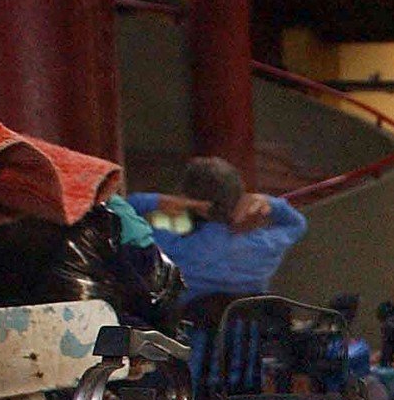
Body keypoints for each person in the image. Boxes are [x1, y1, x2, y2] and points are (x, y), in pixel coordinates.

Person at [128, 157, 308, 385]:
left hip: (189, 381)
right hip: (247, 383)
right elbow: (297, 224)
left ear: (191, 200)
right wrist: (267, 202)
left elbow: (122, 214)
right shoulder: (264, 246)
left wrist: (157, 201)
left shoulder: (175, 247)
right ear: (239, 198)